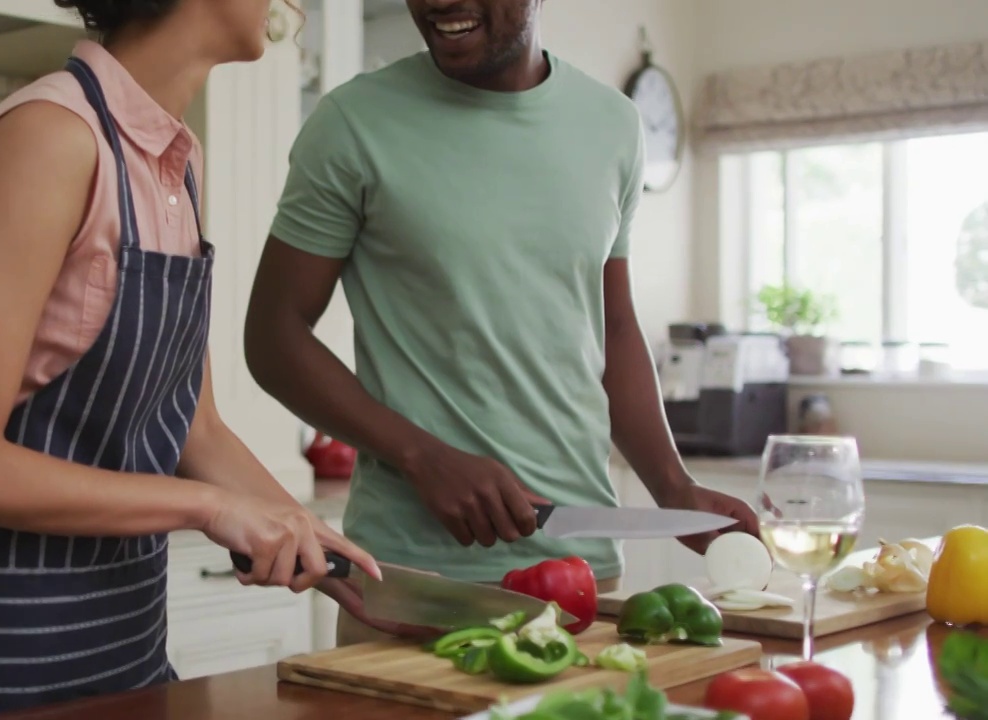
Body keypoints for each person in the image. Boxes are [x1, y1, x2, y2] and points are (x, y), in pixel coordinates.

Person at [0, 1, 384, 717]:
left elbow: (194, 429)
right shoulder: (51, 136)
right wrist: (210, 509)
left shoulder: (179, 163)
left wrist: (308, 536)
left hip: (125, 646)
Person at [243, 0, 760, 646]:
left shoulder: (613, 126)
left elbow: (615, 328)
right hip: (416, 589)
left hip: (583, 587)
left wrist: (674, 486)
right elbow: (272, 336)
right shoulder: (353, 124)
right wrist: (421, 455)